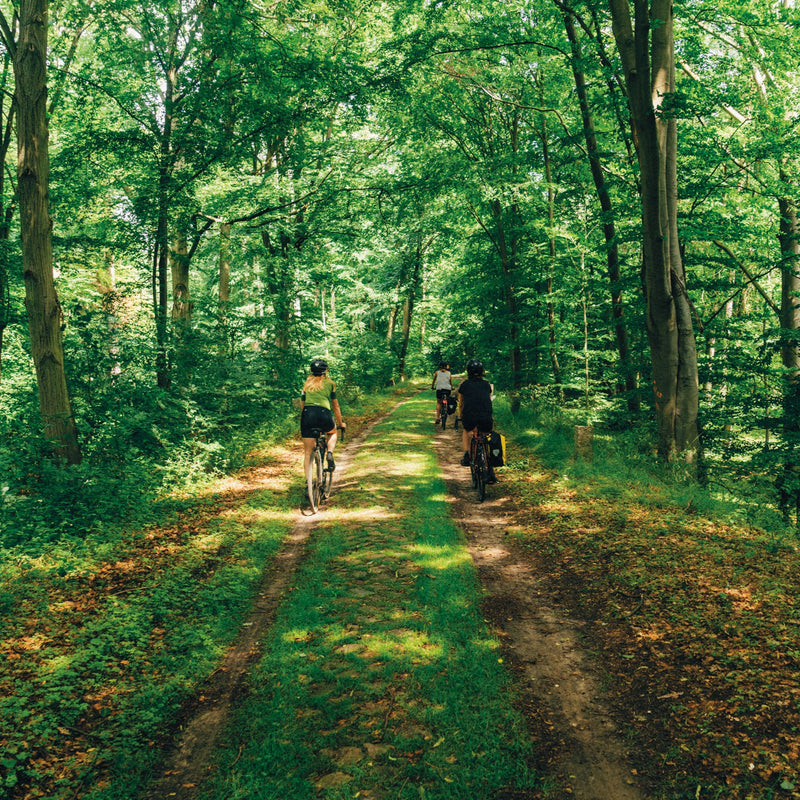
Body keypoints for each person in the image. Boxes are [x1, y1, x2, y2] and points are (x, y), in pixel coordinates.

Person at [300, 358, 345, 481]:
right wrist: (341, 423)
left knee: (308, 453)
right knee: (332, 432)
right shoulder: (330, 384)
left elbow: (302, 404)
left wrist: (305, 417)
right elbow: (335, 406)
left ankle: (308, 483)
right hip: (324, 414)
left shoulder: (306, 384)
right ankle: (329, 453)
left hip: (307, 414)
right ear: (325, 371)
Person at [457, 358, 496, 482]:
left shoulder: (464, 385)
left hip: (469, 415)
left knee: (467, 431)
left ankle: (467, 454)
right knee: (485, 438)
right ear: (482, 371)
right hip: (486, 416)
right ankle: (490, 469)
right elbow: (488, 400)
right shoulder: (486, 384)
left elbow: (461, 404)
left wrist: (460, 416)